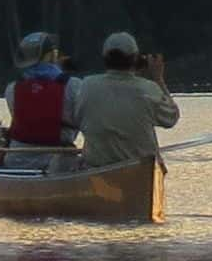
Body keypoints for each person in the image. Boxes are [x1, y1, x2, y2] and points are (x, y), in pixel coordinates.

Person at [70, 31, 181, 172]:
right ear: (135, 59)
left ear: (105, 58)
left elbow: (77, 119)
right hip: (140, 170)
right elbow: (171, 118)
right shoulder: (148, 88)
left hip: (97, 169)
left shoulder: (87, 85)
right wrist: (158, 79)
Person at [0, 31, 75, 155]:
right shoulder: (72, 85)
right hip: (59, 157)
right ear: (51, 56)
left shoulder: (12, 88)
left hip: (16, 158)